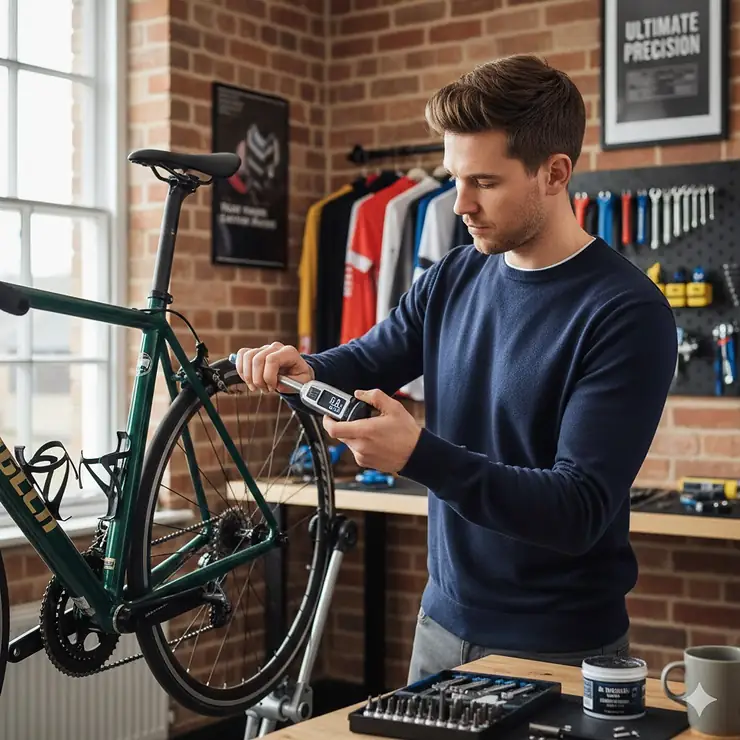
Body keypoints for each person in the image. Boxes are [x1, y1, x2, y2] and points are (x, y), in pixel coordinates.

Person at [233, 54, 677, 683]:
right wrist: (301, 366)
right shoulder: (453, 274)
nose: (458, 203)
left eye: (485, 182)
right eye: (454, 178)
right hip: (441, 627)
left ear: (555, 173)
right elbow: (368, 357)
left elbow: (578, 510)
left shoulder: (627, 312)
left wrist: (418, 455)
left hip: (558, 647)